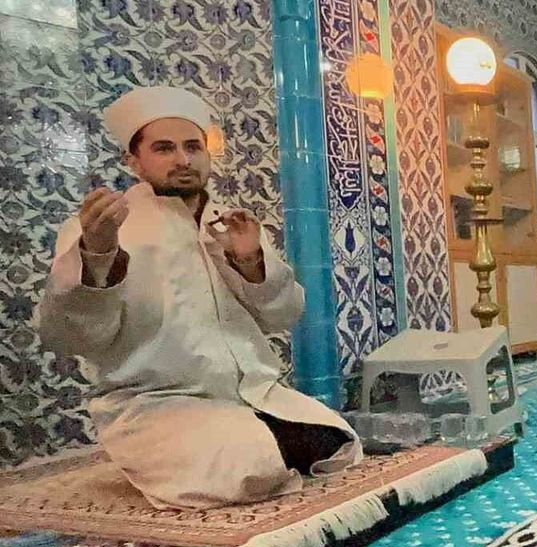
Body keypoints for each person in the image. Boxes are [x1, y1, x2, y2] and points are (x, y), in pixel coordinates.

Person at [35, 86, 362, 510]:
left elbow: (284, 315)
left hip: (252, 393)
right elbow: (72, 337)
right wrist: (97, 255)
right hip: (158, 405)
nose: (183, 160)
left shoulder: (231, 224)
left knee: (338, 441)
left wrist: (251, 262)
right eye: (164, 148)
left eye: (193, 147)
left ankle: (260, 436)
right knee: (251, 466)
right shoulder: (103, 230)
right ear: (133, 161)